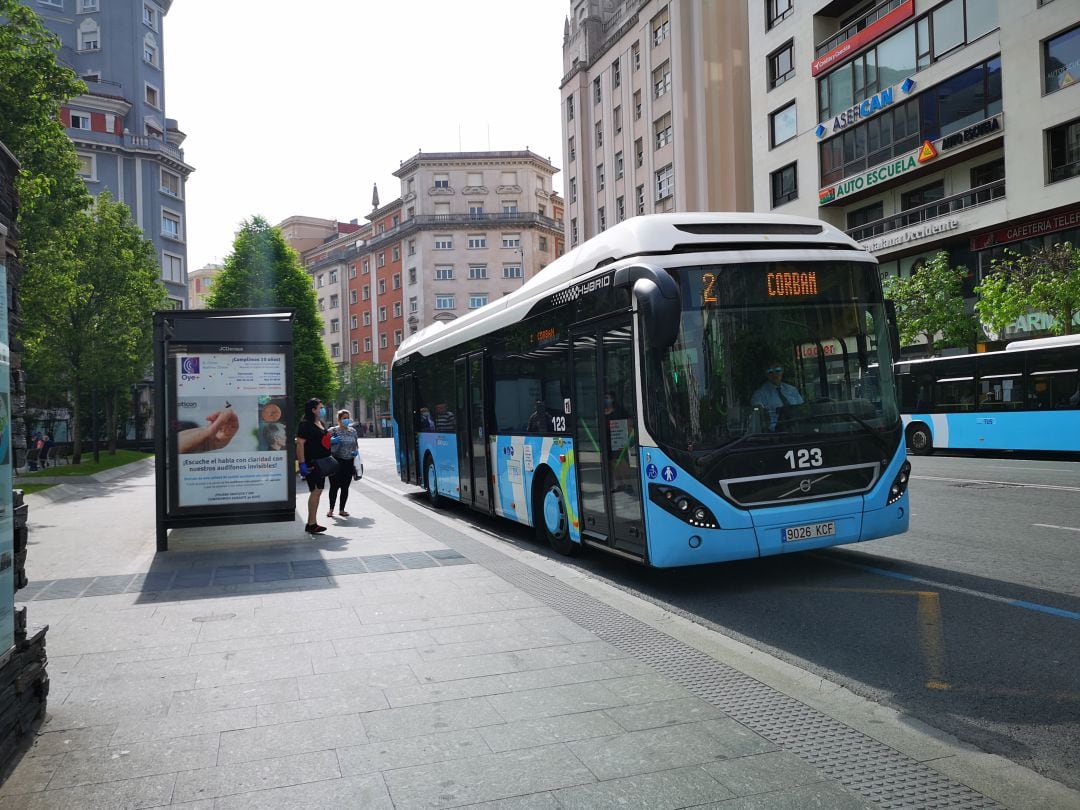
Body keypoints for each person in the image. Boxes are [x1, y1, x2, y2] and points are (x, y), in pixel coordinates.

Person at [295, 397, 332, 534]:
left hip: (322, 463)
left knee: (318, 491)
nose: (323, 409)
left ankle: (312, 523)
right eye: (320, 407)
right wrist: (302, 463)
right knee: (315, 491)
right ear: (313, 409)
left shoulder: (320, 422)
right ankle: (311, 524)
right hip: (312, 463)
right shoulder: (305, 424)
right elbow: (300, 444)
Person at [750, 361, 804, 431]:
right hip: (774, 434)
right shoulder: (759, 395)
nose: (774, 374)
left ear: (782, 371)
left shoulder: (792, 390)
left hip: (798, 431)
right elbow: (759, 418)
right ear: (766, 374)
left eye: (778, 370)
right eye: (770, 372)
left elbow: (802, 410)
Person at [326, 409, 360, 518]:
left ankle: (342, 509)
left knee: (345, 487)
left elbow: (356, 445)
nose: (346, 420)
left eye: (347, 418)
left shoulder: (353, 431)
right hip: (336, 462)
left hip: (349, 462)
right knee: (334, 487)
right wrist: (331, 441)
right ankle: (331, 510)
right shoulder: (332, 430)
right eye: (344, 418)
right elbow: (323, 443)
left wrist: (356, 452)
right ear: (339, 419)